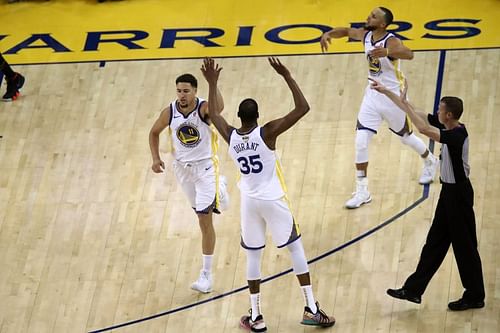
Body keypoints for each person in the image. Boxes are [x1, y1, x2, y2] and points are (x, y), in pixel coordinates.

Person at [201, 57, 335, 332]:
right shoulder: (268, 132)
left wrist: (212, 83)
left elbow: (214, 115)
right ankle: (311, 308)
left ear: (239, 117)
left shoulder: (231, 135)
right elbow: (303, 107)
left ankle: (256, 316)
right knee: (295, 248)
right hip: (273, 199)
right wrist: (286, 75)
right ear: (258, 116)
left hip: (249, 201)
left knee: (253, 256)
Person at [370, 78, 485, 311]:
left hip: (459, 196)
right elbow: (418, 114)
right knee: (434, 243)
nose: (437, 112)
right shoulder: (448, 126)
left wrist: (406, 106)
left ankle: (475, 295)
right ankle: (413, 290)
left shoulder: (456, 136)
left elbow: (422, 128)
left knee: (465, 247)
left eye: (440, 110)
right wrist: (391, 94)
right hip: (448, 194)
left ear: (449, 115)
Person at [320, 7, 438, 209]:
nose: (368, 17)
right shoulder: (366, 35)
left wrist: (389, 52)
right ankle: (362, 190)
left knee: (406, 137)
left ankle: (430, 160)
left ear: (383, 24)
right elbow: (348, 32)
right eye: (370, 14)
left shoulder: (390, 40)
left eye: (373, 16)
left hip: (393, 97)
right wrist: (329, 33)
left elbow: (409, 54)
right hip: (373, 95)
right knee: (360, 141)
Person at [148, 72, 229, 293]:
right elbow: (153, 133)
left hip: (205, 169)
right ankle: (219, 189)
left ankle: (206, 275)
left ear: (195, 91)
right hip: (182, 170)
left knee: (204, 220)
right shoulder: (170, 112)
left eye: (186, 91)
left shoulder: (202, 108)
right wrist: (156, 158)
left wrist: (213, 83)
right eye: (179, 91)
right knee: (200, 214)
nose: (182, 95)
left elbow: (218, 109)